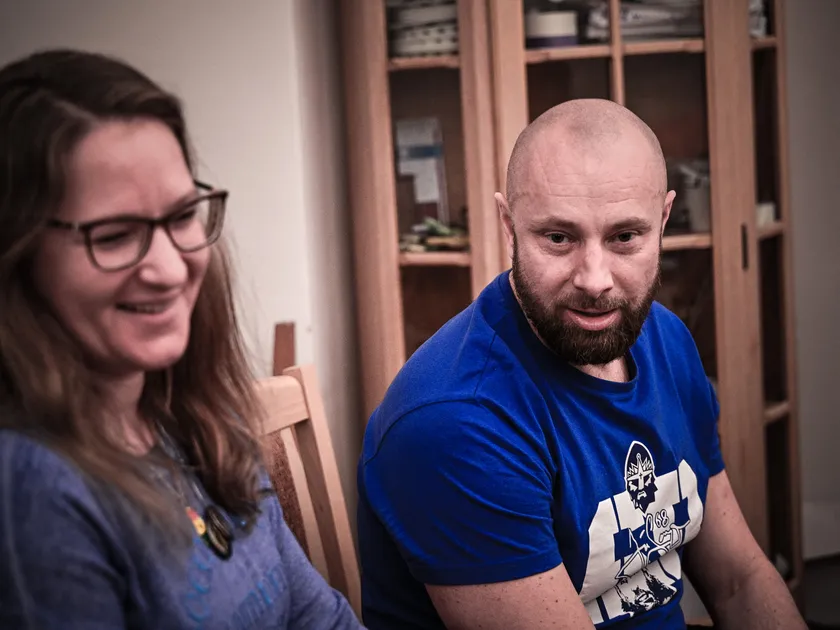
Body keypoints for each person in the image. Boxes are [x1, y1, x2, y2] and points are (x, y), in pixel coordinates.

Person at [357, 99, 807, 629]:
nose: (595, 280)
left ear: (663, 220)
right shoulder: (457, 423)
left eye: (625, 237)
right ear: (508, 225)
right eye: (558, 238)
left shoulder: (665, 339)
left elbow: (738, 580)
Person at [0, 48, 363, 629]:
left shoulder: (193, 416)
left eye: (180, 217)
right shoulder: (32, 493)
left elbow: (316, 616)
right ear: (16, 258)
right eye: (114, 235)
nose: (170, 269)